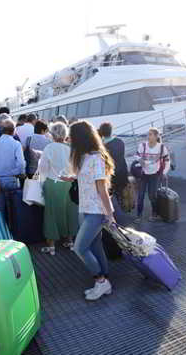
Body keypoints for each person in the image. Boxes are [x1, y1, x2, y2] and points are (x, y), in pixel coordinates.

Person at [60, 120, 115, 301]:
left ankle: (100, 281)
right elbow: (86, 177)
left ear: (80, 138)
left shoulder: (96, 158)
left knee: (80, 247)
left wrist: (110, 214)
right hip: (85, 208)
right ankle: (104, 280)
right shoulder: (84, 156)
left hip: (97, 210)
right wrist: (72, 177)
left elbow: (102, 189)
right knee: (94, 245)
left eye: (72, 137)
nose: (69, 140)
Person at [36, 122, 78, 255]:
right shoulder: (71, 148)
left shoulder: (49, 148)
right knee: (70, 212)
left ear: (52, 134)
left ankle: (51, 246)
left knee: (51, 214)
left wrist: (41, 184)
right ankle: (70, 241)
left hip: (52, 183)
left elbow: (42, 169)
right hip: (69, 184)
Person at [0, 117, 25, 219]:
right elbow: (21, 164)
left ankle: (1, 233)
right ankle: (13, 231)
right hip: (11, 179)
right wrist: (17, 172)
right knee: (12, 209)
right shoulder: (16, 144)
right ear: (13, 130)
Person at [135, 128, 169, 222]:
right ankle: (139, 215)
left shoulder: (162, 147)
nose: (148, 136)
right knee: (140, 195)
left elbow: (167, 160)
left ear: (156, 136)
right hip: (143, 174)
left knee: (152, 195)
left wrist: (165, 172)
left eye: (150, 134)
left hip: (155, 174)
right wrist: (140, 160)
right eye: (148, 134)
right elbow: (137, 155)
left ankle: (155, 214)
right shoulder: (142, 145)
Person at [98, 122, 128, 198]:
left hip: (110, 176)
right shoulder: (120, 142)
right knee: (120, 196)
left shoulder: (101, 147)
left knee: (110, 198)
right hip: (122, 174)